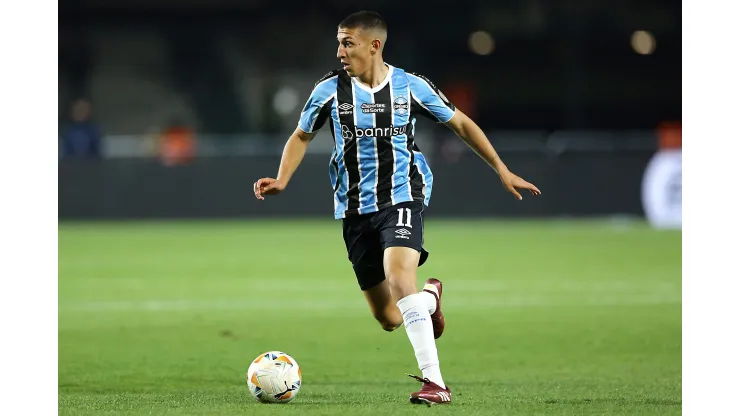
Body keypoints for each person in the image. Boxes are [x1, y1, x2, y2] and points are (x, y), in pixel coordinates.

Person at [253, 11, 541, 405]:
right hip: (354, 209)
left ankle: (435, 383)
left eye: (347, 42)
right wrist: (282, 178)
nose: (339, 51)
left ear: (374, 45)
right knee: (389, 317)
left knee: (399, 276)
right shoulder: (328, 90)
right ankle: (430, 299)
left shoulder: (410, 86)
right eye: (338, 42)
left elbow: (462, 124)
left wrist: (502, 170)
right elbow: (301, 136)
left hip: (403, 195)